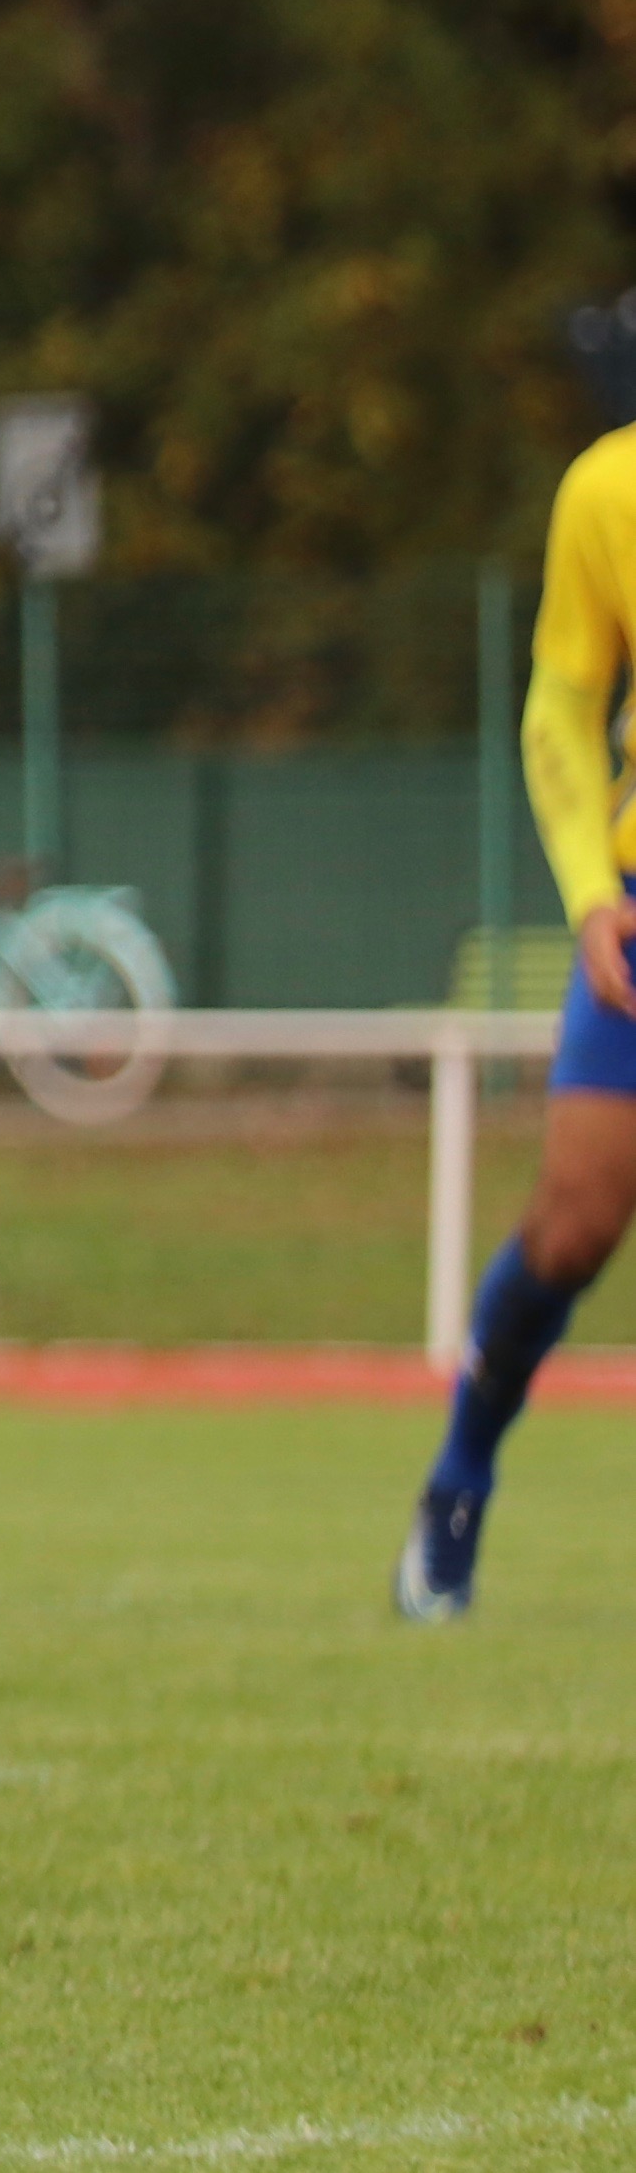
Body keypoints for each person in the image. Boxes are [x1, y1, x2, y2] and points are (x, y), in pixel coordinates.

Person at [399, 412, 636, 1616]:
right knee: (571, 1226)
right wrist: (591, 891)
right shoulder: (608, 489)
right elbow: (560, 703)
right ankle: (456, 1479)